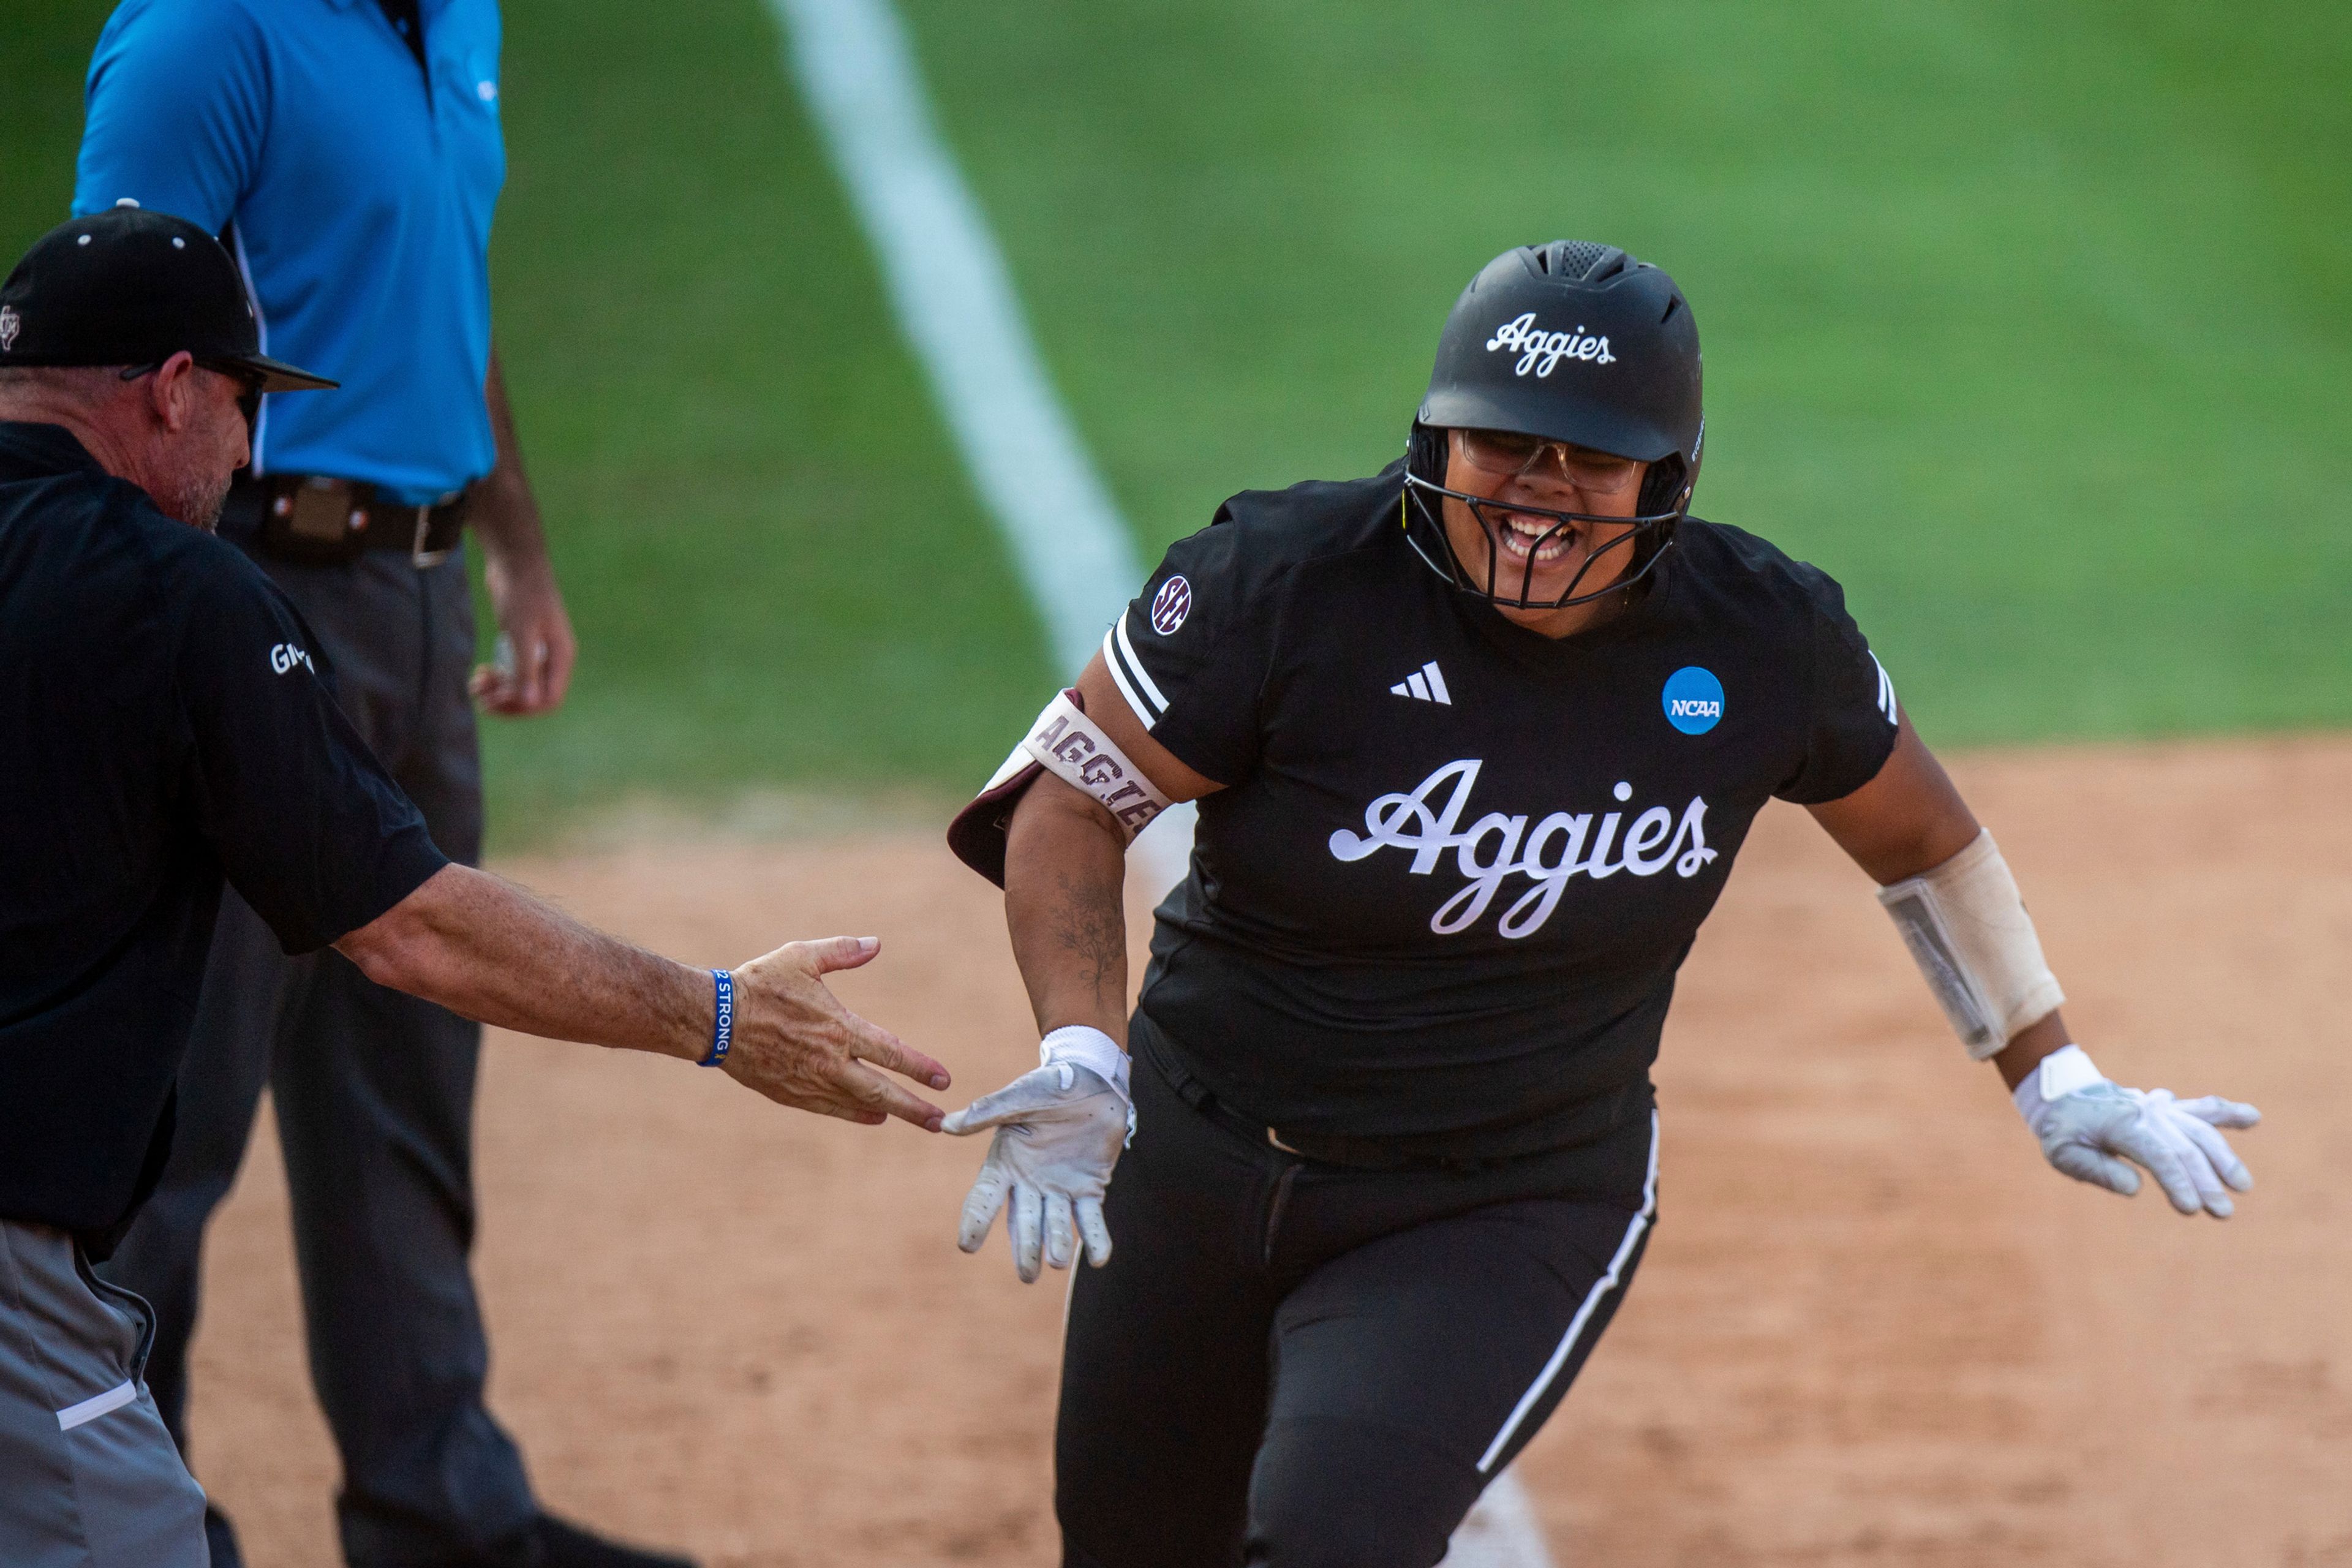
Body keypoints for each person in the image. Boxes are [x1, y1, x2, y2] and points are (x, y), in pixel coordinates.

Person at [936, 239, 2263, 1568]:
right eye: (1502, 442)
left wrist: (2052, 1069)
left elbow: (1924, 840)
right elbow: (1071, 801)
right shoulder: (1282, 586)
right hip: (1191, 1149)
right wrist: (1081, 1049)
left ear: (1670, 480)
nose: (1540, 490)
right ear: (1434, 441)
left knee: (1334, 1536)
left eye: (1591, 457)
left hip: (1496, 1199)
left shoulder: (1760, 639)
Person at [0, 208, 949, 1568]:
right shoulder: (176, 591)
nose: (251, 449)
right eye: (240, 404)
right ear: (170, 388)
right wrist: (725, 1015)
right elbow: (414, 926)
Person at [66, 1, 662, 1561]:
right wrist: (157, 644)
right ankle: (133, 1517)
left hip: (416, 590)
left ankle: (436, 1510)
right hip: (246, 587)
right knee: (166, 1109)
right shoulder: (205, 34)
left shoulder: (458, 20)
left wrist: (516, 551)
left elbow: (440, 299)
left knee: (406, 1076)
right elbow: (98, 358)